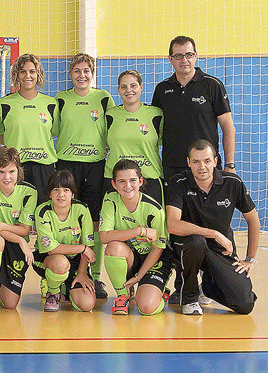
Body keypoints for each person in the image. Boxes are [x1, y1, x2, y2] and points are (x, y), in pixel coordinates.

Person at [165, 139, 258, 315]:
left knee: (245, 304)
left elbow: (253, 220)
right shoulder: (178, 183)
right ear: (188, 163)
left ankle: (206, 288)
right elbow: (172, 224)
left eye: (207, 161)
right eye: (196, 161)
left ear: (215, 161)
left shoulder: (232, 183)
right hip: (187, 247)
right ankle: (190, 298)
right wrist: (213, 233)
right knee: (197, 242)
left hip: (221, 250)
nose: (202, 167)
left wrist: (250, 259)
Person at [53, 53, 114, 299]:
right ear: (71, 74)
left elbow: (113, 129)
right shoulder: (61, 99)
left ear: (93, 73)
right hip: (67, 165)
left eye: (86, 70)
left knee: (95, 223)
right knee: (67, 221)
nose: (82, 75)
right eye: (77, 70)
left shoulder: (103, 98)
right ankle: (65, 278)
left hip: (95, 166)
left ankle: (96, 278)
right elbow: (54, 130)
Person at [151, 35, 236, 180]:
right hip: (172, 168)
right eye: (178, 56)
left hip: (205, 167)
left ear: (196, 56)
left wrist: (230, 164)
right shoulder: (162, 89)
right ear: (170, 59)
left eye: (188, 55)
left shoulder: (213, 85)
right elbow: (152, 129)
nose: (184, 60)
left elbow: (228, 127)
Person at [100, 159, 173, 316]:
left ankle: (160, 292)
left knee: (146, 308)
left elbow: (157, 249)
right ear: (114, 184)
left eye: (132, 180)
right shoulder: (110, 199)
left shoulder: (154, 209)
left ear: (140, 181)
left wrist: (139, 277)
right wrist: (140, 230)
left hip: (154, 260)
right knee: (113, 248)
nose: (128, 186)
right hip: (132, 256)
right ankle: (122, 296)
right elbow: (104, 237)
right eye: (122, 181)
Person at [0, 146, 36, 318]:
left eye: (11, 171)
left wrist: (2, 227)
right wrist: (21, 240)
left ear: (19, 171)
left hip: (15, 240)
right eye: (1, 172)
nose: (7, 177)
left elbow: (24, 229)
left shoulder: (29, 192)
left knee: (10, 304)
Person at [0, 53, 59, 205]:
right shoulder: (4, 104)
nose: (27, 75)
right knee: (16, 212)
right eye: (22, 71)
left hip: (44, 167)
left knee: (42, 211)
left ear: (38, 74)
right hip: (15, 167)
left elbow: (54, 132)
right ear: (16, 75)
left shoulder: (51, 103)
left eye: (32, 71)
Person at [32, 170, 96, 312]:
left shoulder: (81, 210)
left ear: (73, 194)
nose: (61, 194)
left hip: (75, 261)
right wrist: (82, 248)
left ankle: (64, 287)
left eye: (66, 190)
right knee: (60, 263)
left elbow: (89, 246)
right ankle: (53, 291)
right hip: (48, 259)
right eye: (56, 190)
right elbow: (52, 249)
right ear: (49, 194)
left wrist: (82, 273)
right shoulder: (42, 211)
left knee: (86, 305)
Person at [104, 70, 164, 204]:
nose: (128, 90)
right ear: (118, 90)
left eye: (133, 85)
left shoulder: (156, 114)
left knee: (152, 225)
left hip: (149, 179)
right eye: (123, 87)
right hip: (116, 181)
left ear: (141, 87)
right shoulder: (110, 115)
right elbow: (103, 143)